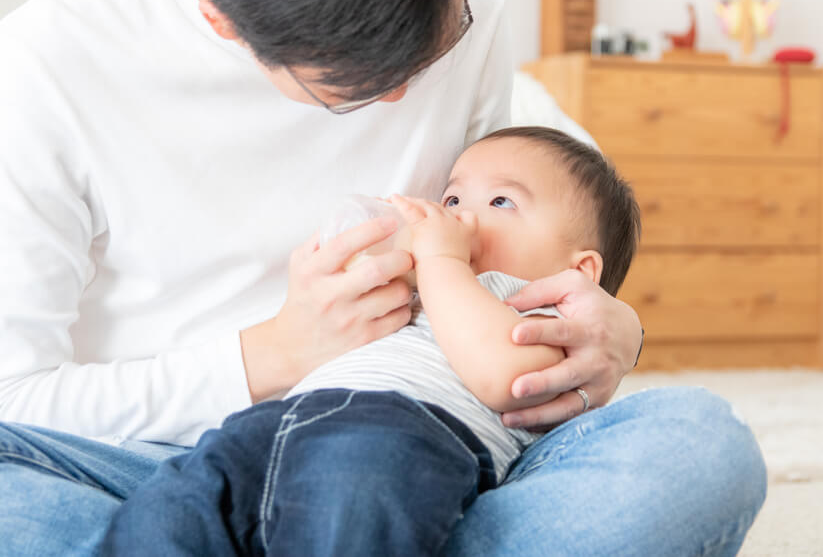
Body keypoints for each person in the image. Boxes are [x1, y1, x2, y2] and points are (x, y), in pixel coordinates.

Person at [0, 0, 766, 555]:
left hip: (419, 446)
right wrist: (268, 356)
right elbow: (15, 397)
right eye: (354, 88)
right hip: (162, 460)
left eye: (436, 48)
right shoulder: (45, 67)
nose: (408, 98)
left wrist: (614, 325)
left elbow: (534, 216)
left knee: (701, 449)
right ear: (222, 22)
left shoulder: (468, 4)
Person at [103, 126, 640, 555]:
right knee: (166, 508)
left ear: (581, 270)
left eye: (502, 202)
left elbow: (508, 379)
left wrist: (442, 261)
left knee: (352, 510)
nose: (461, 217)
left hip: (399, 438)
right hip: (270, 428)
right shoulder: (423, 286)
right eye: (452, 198)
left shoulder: (544, 309)